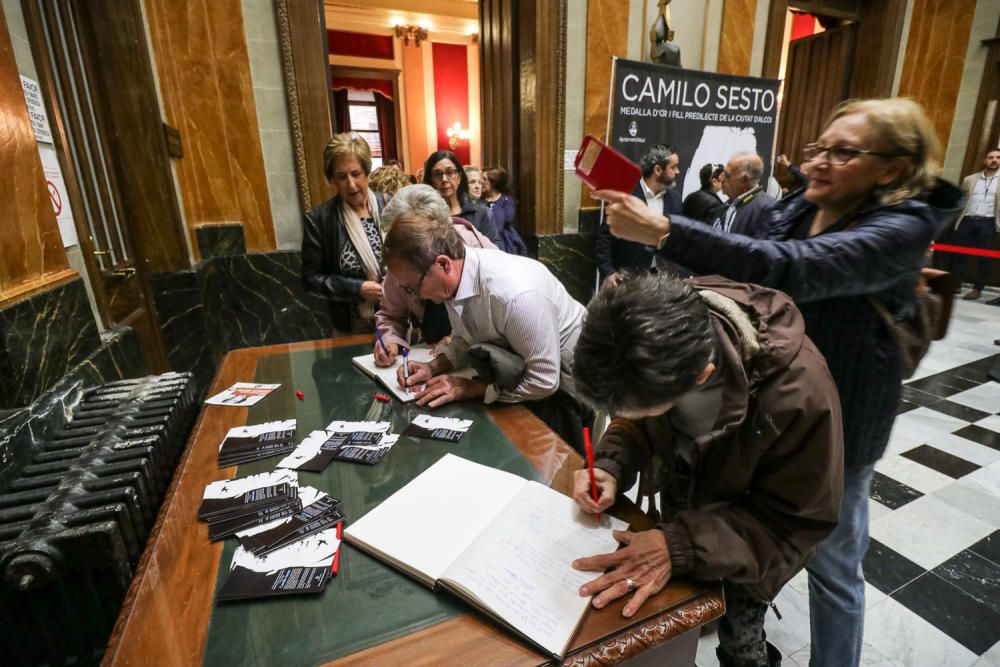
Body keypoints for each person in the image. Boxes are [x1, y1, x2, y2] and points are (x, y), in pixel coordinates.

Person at [594, 98, 963, 667]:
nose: (818, 163)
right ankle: (740, 612)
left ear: (891, 167)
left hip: (834, 412)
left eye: (844, 153)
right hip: (755, 387)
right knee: (737, 514)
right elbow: (747, 277)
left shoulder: (901, 228)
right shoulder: (797, 207)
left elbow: (786, 267)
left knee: (832, 560)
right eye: (820, 148)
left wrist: (665, 230)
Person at [571, 273, 843, 667]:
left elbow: (793, 523)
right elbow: (638, 420)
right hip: (689, 485)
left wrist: (679, 546)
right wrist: (612, 462)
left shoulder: (800, 396)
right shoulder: (654, 325)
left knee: (740, 638)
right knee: (685, 604)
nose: (623, 416)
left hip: (758, 530)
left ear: (700, 377)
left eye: (644, 408)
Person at [383, 215, 590, 451]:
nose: (415, 296)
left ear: (442, 264)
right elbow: (466, 335)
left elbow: (543, 380)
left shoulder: (515, 296)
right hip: (523, 371)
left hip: (570, 384)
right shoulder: (455, 279)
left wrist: (472, 388)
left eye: (413, 287)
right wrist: (435, 366)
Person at [373, 184, 497, 365]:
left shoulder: (475, 250)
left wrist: (459, 343)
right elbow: (391, 314)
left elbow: (499, 320)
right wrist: (390, 339)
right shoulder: (401, 258)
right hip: (430, 355)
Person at [301, 134, 386, 334]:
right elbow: (311, 280)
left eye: (355, 173)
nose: (351, 184)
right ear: (332, 180)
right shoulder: (320, 220)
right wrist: (357, 288)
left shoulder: (391, 206)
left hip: (401, 322)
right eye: (341, 177)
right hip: (353, 327)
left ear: (367, 171)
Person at [595, 144, 682, 285]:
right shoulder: (626, 195)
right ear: (658, 170)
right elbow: (605, 237)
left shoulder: (676, 199)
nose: (677, 172)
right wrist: (608, 272)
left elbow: (677, 240)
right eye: (673, 167)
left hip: (662, 280)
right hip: (628, 278)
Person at [947, 148, 1000, 300]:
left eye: (998, 157)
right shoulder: (970, 179)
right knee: (959, 255)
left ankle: (978, 289)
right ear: (985, 160)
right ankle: (956, 285)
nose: (994, 160)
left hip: (989, 222)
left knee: (985, 258)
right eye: (991, 157)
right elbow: (961, 200)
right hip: (968, 220)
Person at [423, 150, 500, 245]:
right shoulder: (424, 216)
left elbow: (496, 251)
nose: (444, 179)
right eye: (438, 174)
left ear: (459, 177)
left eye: (450, 172)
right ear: (431, 180)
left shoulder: (481, 213)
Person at [713, 152, 777, 238]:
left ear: (744, 180)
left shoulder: (767, 209)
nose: (721, 178)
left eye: (727, 175)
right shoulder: (727, 205)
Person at [481, 166, 529, 255]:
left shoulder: (507, 200)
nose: (481, 182)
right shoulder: (478, 200)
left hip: (505, 242)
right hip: (483, 241)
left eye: (484, 179)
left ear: (493, 182)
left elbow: (504, 221)